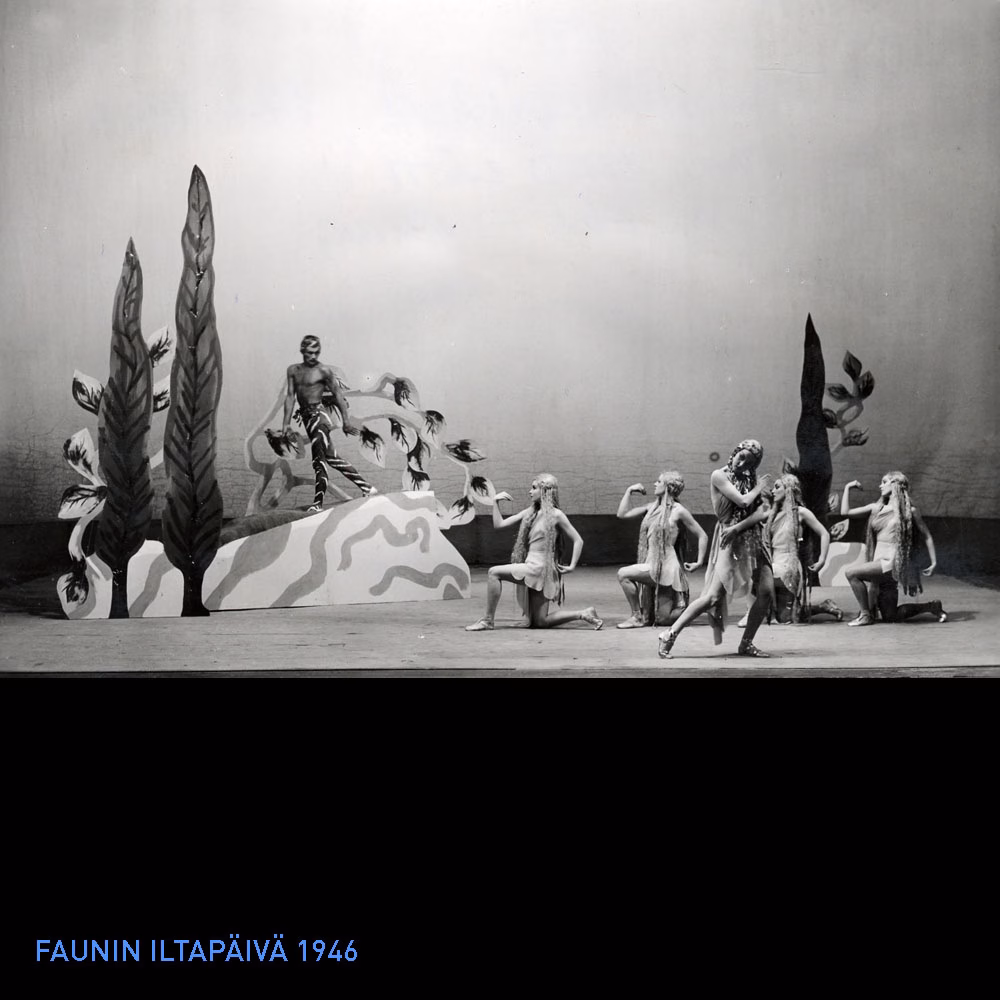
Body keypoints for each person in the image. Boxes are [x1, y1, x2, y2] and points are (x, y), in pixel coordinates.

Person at [656, 440, 772, 659]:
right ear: (735, 452)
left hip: (751, 538)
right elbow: (743, 502)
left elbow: (762, 512)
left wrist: (741, 525)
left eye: (749, 462)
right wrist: (759, 487)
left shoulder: (749, 479)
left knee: (766, 591)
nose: (742, 463)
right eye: (741, 456)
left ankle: (746, 642)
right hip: (730, 539)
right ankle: (669, 634)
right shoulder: (719, 475)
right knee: (712, 597)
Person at [466, 474, 603, 631]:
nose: (530, 491)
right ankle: (583, 613)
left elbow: (578, 540)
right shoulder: (530, 512)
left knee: (493, 573)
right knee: (540, 621)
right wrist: (495, 503)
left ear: (545, 491)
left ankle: (487, 620)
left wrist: (572, 566)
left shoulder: (556, 515)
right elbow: (499, 524)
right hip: (535, 568)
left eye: (534, 488)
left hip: (539, 568)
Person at [717, 473, 837, 637]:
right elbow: (753, 519)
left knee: (782, 614)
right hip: (774, 563)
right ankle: (821, 606)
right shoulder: (773, 513)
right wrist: (734, 529)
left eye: (777, 487)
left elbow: (824, 533)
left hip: (789, 565)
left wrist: (822, 560)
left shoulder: (801, 512)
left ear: (788, 489)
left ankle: (756, 610)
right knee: (783, 615)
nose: (773, 491)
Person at [281, 335, 377, 512]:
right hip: (308, 420)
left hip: (319, 419)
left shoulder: (323, 371)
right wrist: (286, 424)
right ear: (302, 350)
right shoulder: (293, 370)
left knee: (319, 461)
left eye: (316, 352)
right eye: (309, 352)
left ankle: (317, 504)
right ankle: (367, 488)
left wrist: (346, 422)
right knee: (332, 458)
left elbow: (338, 395)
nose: (313, 356)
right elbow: (290, 397)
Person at [840, 473, 946, 626]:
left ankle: (865, 615)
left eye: (884, 482)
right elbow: (845, 513)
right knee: (891, 615)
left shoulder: (909, 511)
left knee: (851, 573)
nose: (880, 486)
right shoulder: (876, 508)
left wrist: (934, 562)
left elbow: (927, 535)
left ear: (895, 484)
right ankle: (932, 606)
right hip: (879, 565)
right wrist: (847, 487)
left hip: (891, 563)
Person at [615, 471, 708, 628]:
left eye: (659, 482)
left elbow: (702, 535)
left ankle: (638, 617)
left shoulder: (678, 510)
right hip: (651, 562)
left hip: (667, 567)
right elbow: (622, 514)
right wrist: (629, 490)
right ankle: (696, 608)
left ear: (668, 487)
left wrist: (699, 562)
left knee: (623, 574)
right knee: (662, 619)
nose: (655, 484)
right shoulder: (651, 507)